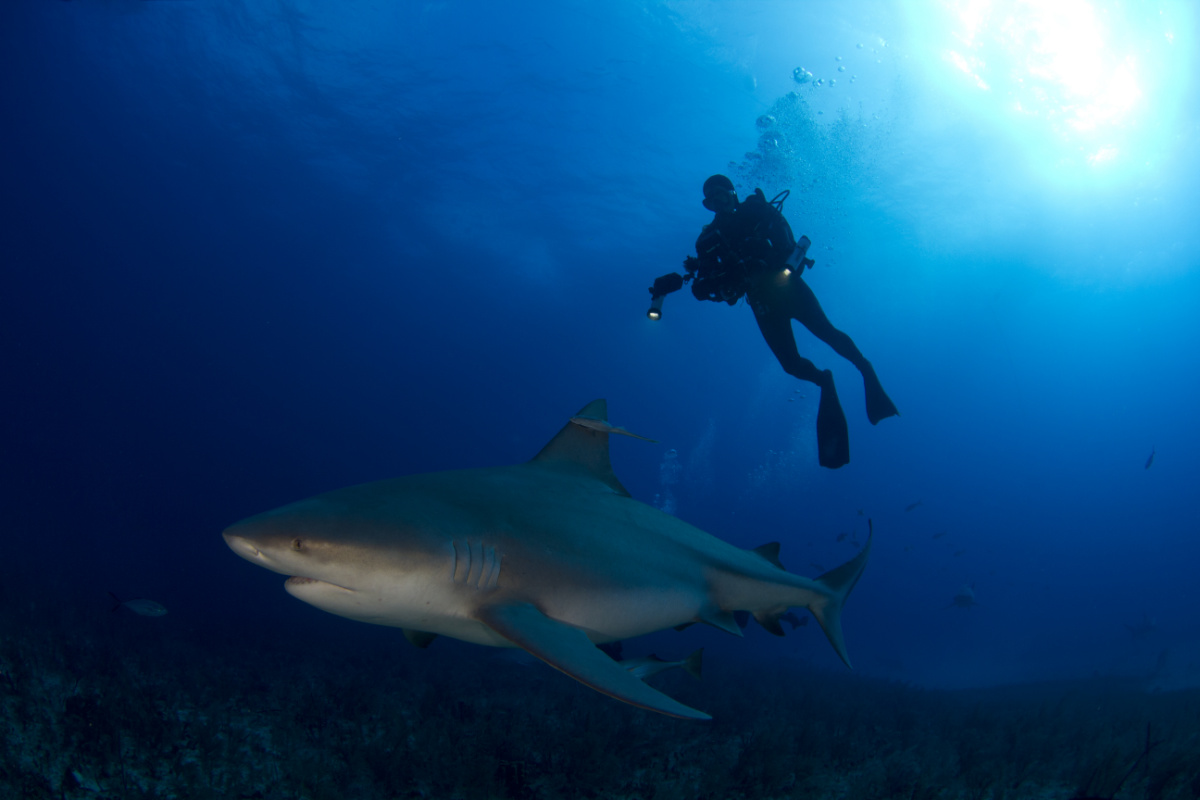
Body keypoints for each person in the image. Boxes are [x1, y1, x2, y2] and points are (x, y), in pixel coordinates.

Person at [652, 174, 897, 469]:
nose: (719, 202)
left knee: (827, 333)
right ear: (707, 204)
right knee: (791, 365)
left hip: (786, 287)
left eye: (723, 194)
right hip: (760, 301)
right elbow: (710, 282)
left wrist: (769, 260)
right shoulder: (707, 240)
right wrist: (702, 287)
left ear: (733, 193)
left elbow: (787, 243)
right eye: (712, 200)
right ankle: (824, 380)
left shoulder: (756, 210)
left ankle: (864, 369)